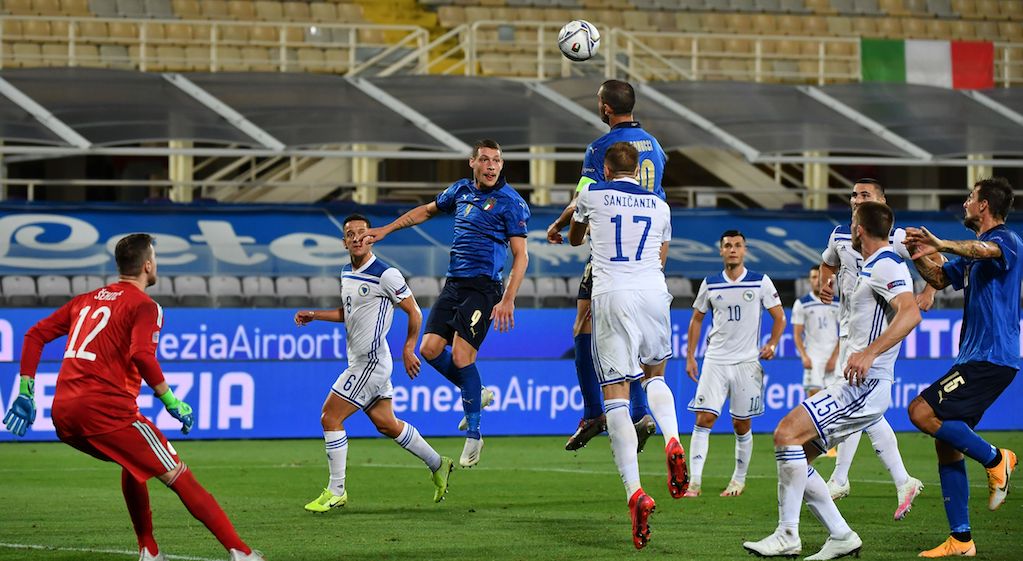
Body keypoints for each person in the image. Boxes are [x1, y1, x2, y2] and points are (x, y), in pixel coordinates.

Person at [2, 234, 264, 561]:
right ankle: (242, 553)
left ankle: (149, 550)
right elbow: (142, 354)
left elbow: (35, 334)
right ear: (148, 265)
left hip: (64, 412)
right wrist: (171, 400)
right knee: (178, 473)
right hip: (106, 411)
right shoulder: (145, 305)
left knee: (134, 463)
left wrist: (26, 388)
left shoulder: (85, 300)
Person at [743, 201, 922, 560]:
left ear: (859, 229)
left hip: (865, 384)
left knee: (785, 434)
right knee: (796, 456)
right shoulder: (871, 264)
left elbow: (910, 312)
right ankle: (840, 535)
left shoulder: (885, 263)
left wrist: (870, 352)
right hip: (859, 382)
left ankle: (788, 535)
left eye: (853, 222)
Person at [360, 139, 530, 468]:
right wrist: (388, 230)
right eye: (485, 159)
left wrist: (508, 298)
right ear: (473, 163)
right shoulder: (461, 191)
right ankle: (476, 392)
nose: (492, 165)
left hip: (484, 287)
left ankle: (475, 433)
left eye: (497, 160)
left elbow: (521, 255)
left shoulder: (511, 203)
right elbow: (426, 210)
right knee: (430, 349)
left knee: (464, 356)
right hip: (454, 284)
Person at [567, 142, 687, 550]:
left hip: (612, 293)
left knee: (615, 395)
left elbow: (574, 237)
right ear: (639, 169)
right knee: (655, 375)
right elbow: (662, 253)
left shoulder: (592, 193)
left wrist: (575, 221)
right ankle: (673, 438)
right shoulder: (660, 205)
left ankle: (636, 492)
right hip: (653, 290)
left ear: (604, 167)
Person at [294, 214, 454, 513]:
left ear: (372, 238)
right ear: (344, 242)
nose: (356, 237)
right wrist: (314, 315)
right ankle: (438, 464)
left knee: (330, 417)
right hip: (364, 362)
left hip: (370, 363)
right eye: (350, 234)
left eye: (362, 233)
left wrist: (409, 348)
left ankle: (336, 490)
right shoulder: (346, 272)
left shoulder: (386, 273)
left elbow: (415, 312)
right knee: (387, 424)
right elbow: (349, 312)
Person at [546, 79, 668, 452]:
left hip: (612, 252)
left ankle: (595, 412)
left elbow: (585, 196)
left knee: (585, 322)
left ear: (605, 109)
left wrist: (561, 223)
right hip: (648, 251)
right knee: (637, 337)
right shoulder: (657, 147)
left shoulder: (601, 148)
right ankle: (643, 411)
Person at [904, 177, 1020, 558]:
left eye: (971, 198)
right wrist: (920, 253)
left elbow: (984, 250)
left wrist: (941, 243)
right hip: (974, 357)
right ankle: (962, 540)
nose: (966, 202)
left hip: (991, 357)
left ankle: (996, 459)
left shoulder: (1007, 241)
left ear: (984, 205)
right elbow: (939, 278)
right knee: (946, 441)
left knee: (920, 411)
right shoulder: (971, 256)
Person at [818, 178, 927, 511]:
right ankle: (892, 481)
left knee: (854, 407)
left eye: (864, 195)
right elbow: (828, 263)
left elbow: (932, 260)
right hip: (850, 331)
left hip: (872, 342)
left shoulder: (892, 242)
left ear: (882, 201)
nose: (856, 199)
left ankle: (839, 480)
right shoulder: (841, 235)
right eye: (853, 194)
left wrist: (930, 292)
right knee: (866, 411)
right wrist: (827, 282)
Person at [684, 230, 786, 498]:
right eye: (727, 245)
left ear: (745, 250)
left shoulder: (760, 282)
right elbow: (696, 319)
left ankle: (738, 480)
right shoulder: (710, 283)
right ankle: (694, 482)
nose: (732, 250)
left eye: (737, 246)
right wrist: (691, 355)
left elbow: (780, 317)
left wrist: (772, 344)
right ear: (721, 251)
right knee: (704, 418)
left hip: (746, 363)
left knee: (741, 424)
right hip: (715, 361)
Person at [791, 266, 840, 398]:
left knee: (836, 399)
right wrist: (804, 356)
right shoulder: (801, 304)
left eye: (820, 276)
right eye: (813, 277)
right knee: (813, 399)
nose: (817, 280)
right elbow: (797, 334)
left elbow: (845, 332)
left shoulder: (837, 303)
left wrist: (835, 358)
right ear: (809, 281)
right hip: (813, 358)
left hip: (834, 358)